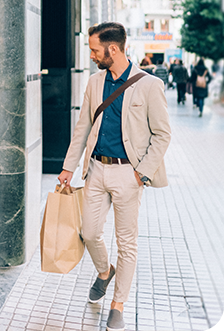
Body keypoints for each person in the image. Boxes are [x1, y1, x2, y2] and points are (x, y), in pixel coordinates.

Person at [57, 22, 171, 331]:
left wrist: (141, 174)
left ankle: (117, 304)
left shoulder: (148, 85)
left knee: (127, 244)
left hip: (128, 175)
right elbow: (83, 127)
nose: (91, 55)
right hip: (96, 169)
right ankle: (104, 273)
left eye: (94, 50)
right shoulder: (95, 82)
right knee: (89, 232)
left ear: (113, 49)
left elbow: (162, 135)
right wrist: (69, 166)